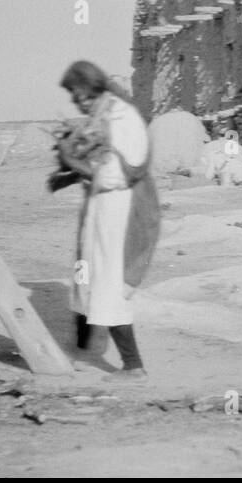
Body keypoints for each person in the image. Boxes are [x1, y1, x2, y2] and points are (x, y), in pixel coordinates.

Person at [52, 60, 159, 380]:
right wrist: (70, 173)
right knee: (89, 277)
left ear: (93, 88)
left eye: (81, 95)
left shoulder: (123, 117)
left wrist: (72, 160)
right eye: (74, 97)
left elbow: (121, 172)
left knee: (108, 283)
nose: (79, 102)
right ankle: (85, 352)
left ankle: (133, 366)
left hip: (122, 209)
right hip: (103, 207)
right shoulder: (103, 114)